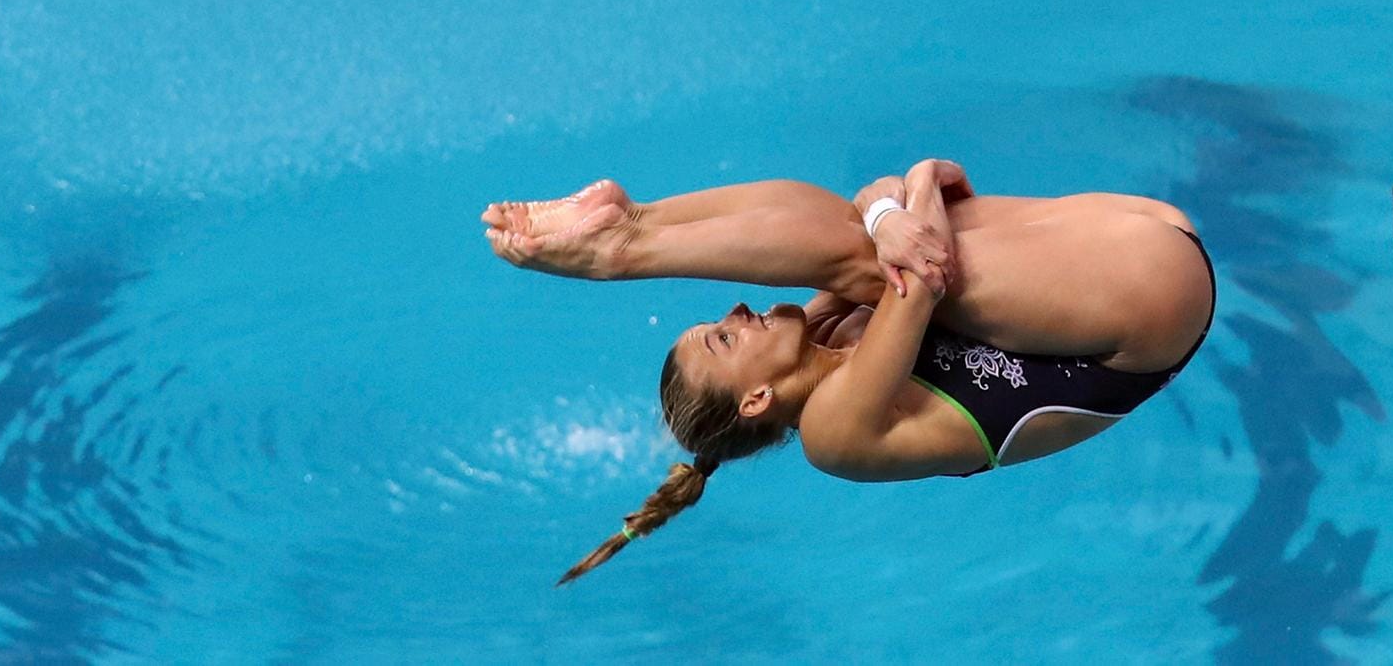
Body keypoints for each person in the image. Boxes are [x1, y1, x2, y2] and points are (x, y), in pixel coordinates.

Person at [479, 159, 1214, 582]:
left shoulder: (832, 328)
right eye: (726, 340)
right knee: (871, 249)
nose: (738, 309)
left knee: (860, 232)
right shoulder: (833, 433)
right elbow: (911, 266)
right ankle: (623, 250)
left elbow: (867, 207)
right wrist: (903, 203)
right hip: (1150, 307)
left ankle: (644, 218)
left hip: (1133, 242)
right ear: (759, 399)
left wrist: (901, 202)